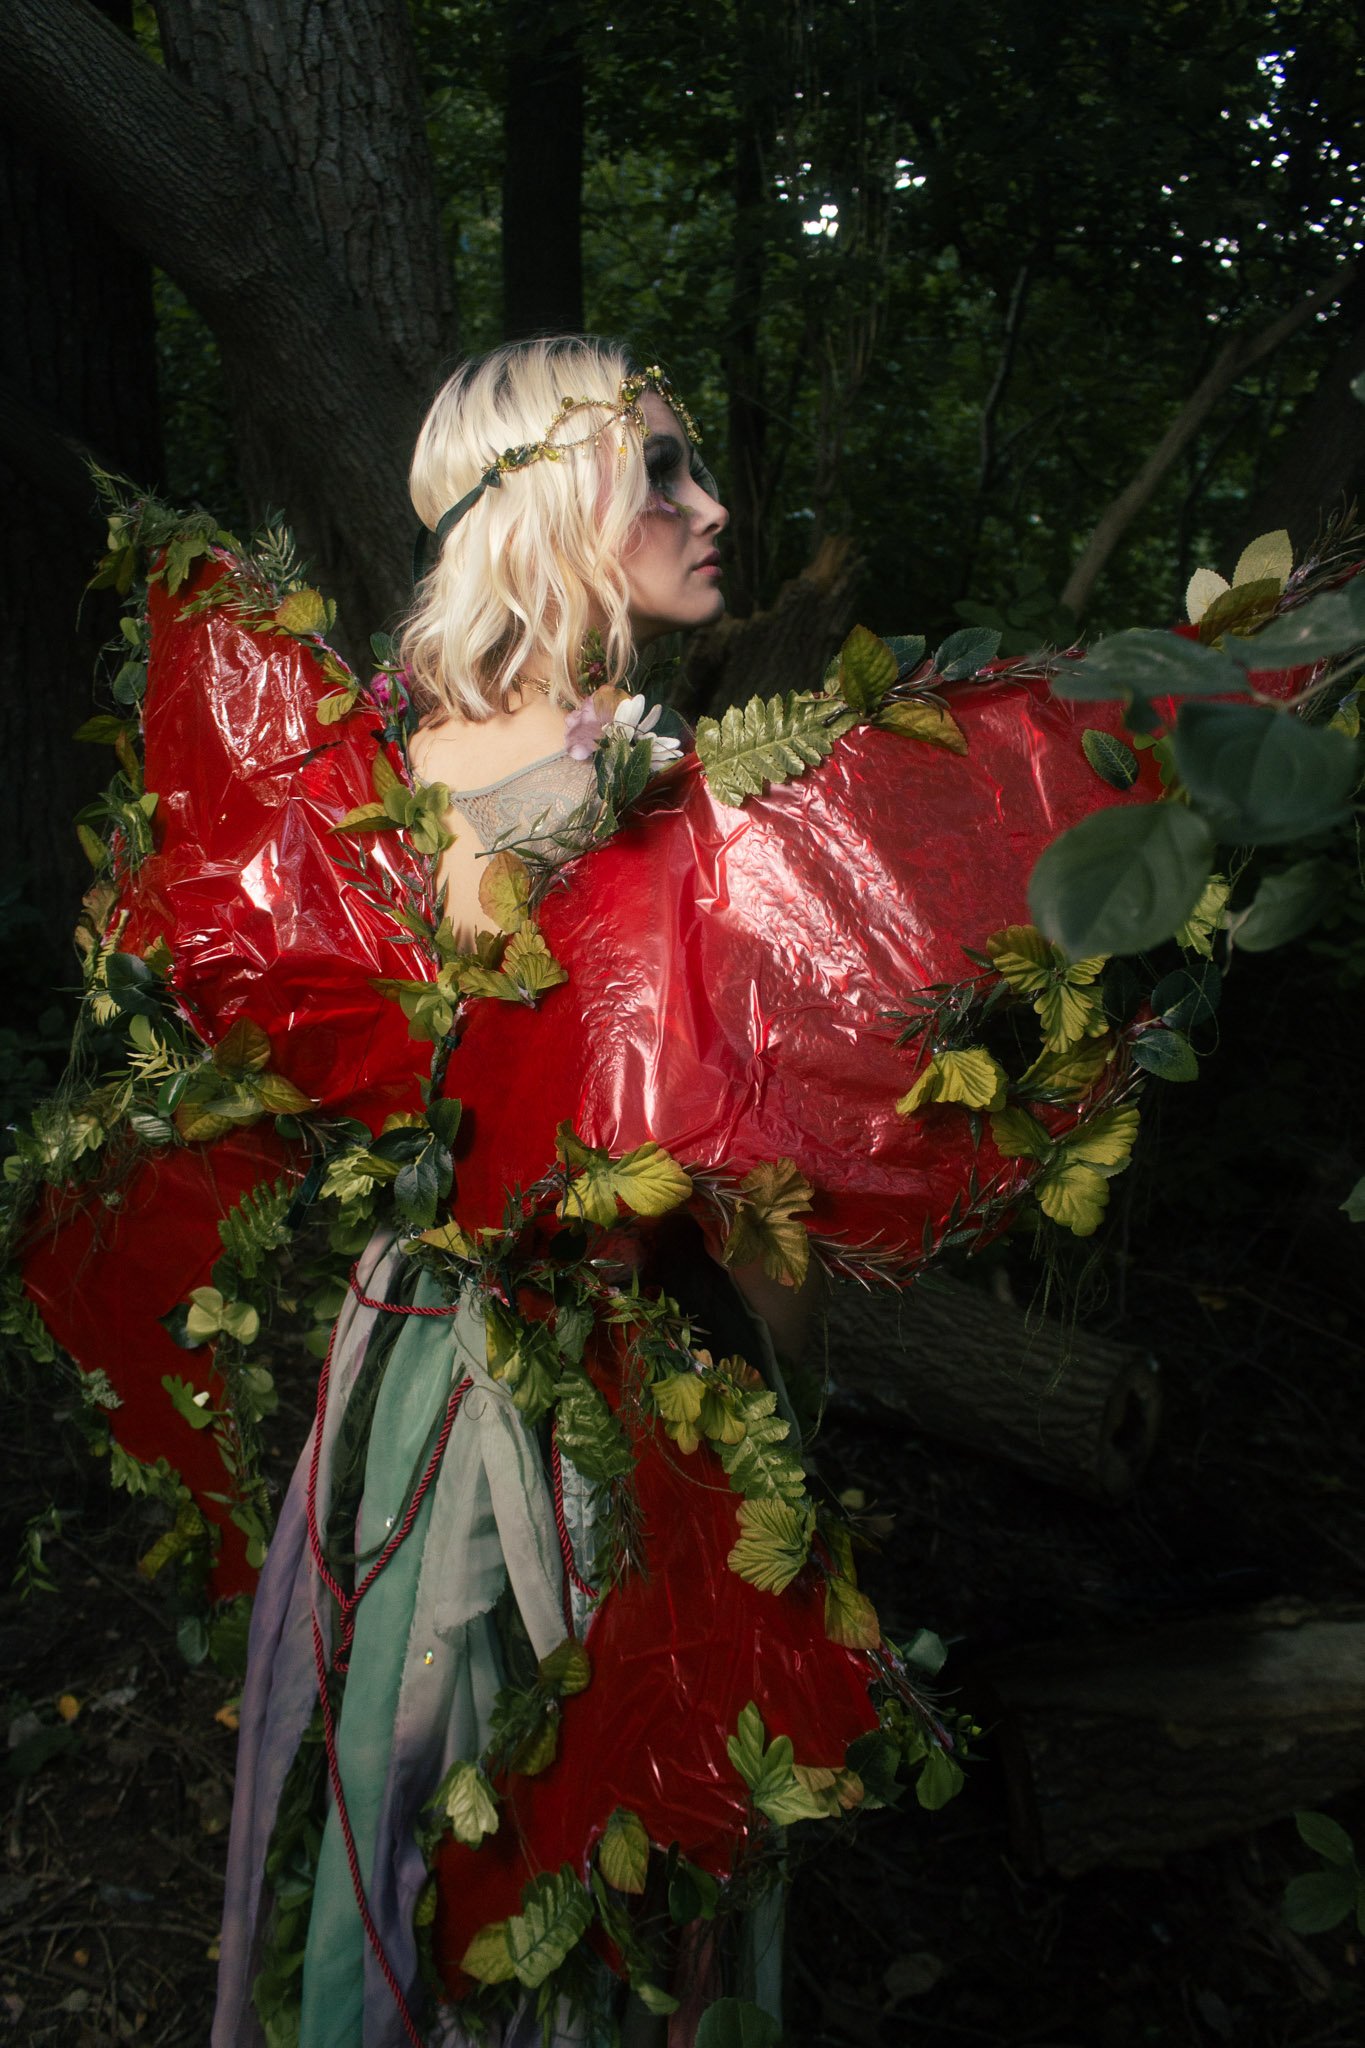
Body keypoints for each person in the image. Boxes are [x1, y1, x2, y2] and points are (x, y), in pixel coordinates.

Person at [17, 335, 1174, 2048]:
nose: (711, 510)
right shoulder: (610, 794)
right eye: (660, 474)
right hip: (570, 1385)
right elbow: (710, 1176)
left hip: (413, 1351)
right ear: (551, 504)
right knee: (568, 1796)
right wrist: (777, 1403)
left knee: (449, 1789)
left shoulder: (405, 754)